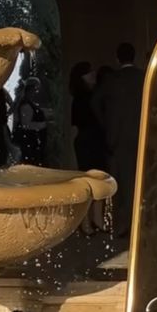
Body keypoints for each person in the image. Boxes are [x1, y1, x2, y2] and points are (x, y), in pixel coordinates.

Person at [95, 42, 144, 238]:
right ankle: (140, 225)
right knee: (140, 181)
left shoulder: (111, 80)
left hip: (116, 139)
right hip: (142, 136)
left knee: (120, 185)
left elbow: (95, 102)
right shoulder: (144, 78)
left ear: (117, 58)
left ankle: (123, 226)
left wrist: (107, 124)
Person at [70, 61, 108, 233]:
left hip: (94, 141)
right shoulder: (81, 99)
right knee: (90, 181)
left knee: (98, 180)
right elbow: (77, 126)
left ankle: (95, 221)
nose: (92, 74)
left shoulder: (94, 95)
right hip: (88, 142)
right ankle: (87, 222)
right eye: (88, 72)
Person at [15, 77, 48, 166]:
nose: (36, 92)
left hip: (33, 142)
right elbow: (26, 125)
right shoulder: (26, 105)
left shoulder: (29, 104)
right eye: (35, 89)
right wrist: (43, 125)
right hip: (30, 142)